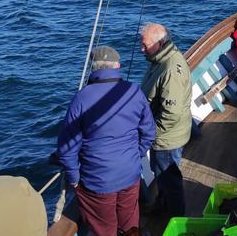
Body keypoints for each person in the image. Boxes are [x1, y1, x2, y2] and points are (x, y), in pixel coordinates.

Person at [55, 45, 155, 236]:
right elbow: (149, 132)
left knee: (104, 229)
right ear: (117, 66)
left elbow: (67, 148)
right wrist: (135, 156)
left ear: (93, 67)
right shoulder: (134, 91)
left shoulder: (81, 99)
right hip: (130, 174)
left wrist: (74, 178)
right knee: (130, 225)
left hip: (97, 181)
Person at [139, 22, 192, 217]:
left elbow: (172, 112)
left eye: (145, 45)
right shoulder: (159, 60)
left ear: (160, 43)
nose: (141, 48)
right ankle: (163, 206)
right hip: (164, 135)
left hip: (167, 138)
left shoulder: (170, 69)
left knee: (170, 179)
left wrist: (152, 133)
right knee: (162, 175)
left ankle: (175, 218)